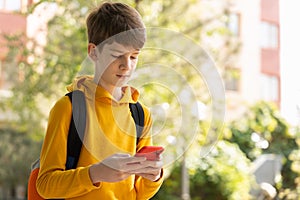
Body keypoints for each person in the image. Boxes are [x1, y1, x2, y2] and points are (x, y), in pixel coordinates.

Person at [36, 2, 164, 199]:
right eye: (117, 55)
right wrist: (95, 174)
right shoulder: (68, 108)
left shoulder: (140, 115)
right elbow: (45, 185)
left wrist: (154, 177)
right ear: (93, 52)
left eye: (134, 57)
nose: (126, 66)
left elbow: (139, 194)